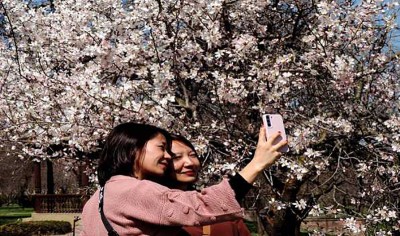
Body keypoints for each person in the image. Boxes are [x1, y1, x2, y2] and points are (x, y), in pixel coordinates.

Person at [81, 122, 287, 235]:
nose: (168, 156)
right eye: (162, 148)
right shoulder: (131, 190)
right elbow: (202, 206)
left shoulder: (97, 198)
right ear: (133, 149)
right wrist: (257, 164)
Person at [169, 134, 252, 236]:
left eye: (193, 155)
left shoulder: (225, 211)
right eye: (176, 157)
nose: (189, 163)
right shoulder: (156, 214)